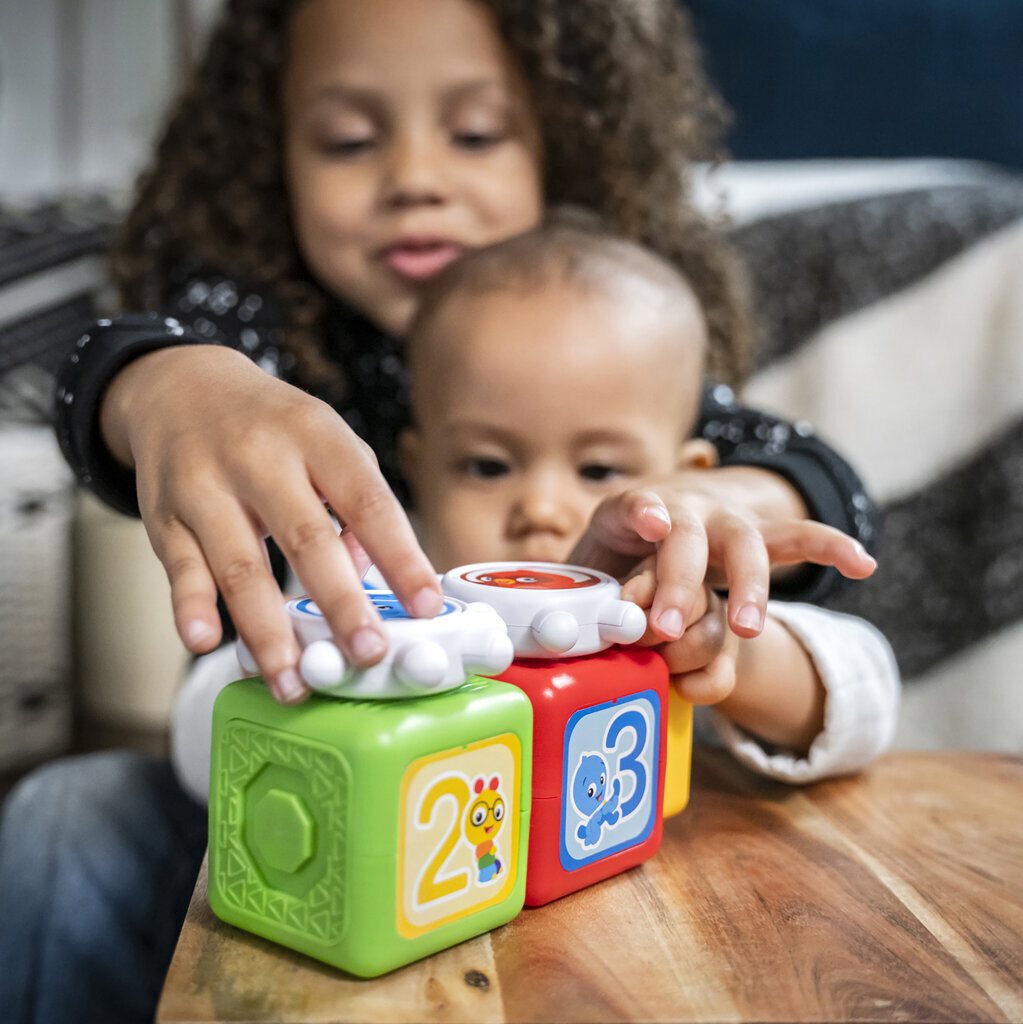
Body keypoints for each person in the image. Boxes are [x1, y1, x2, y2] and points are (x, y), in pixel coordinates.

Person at [1, 0, 880, 1020]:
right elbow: (118, 373)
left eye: (474, 133)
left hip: (610, 901)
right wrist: (160, 384)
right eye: (349, 139)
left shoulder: (623, 343)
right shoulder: (291, 389)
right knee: (67, 811)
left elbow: (818, 488)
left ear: (566, 144)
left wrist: (726, 604)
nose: (415, 175)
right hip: (334, 889)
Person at [399, 218, 898, 762]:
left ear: (688, 477)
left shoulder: (666, 605)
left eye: (598, 471)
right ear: (417, 472)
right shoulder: (372, 587)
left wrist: (724, 648)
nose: (540, 510)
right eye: (488, 466)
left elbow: (865, 704)